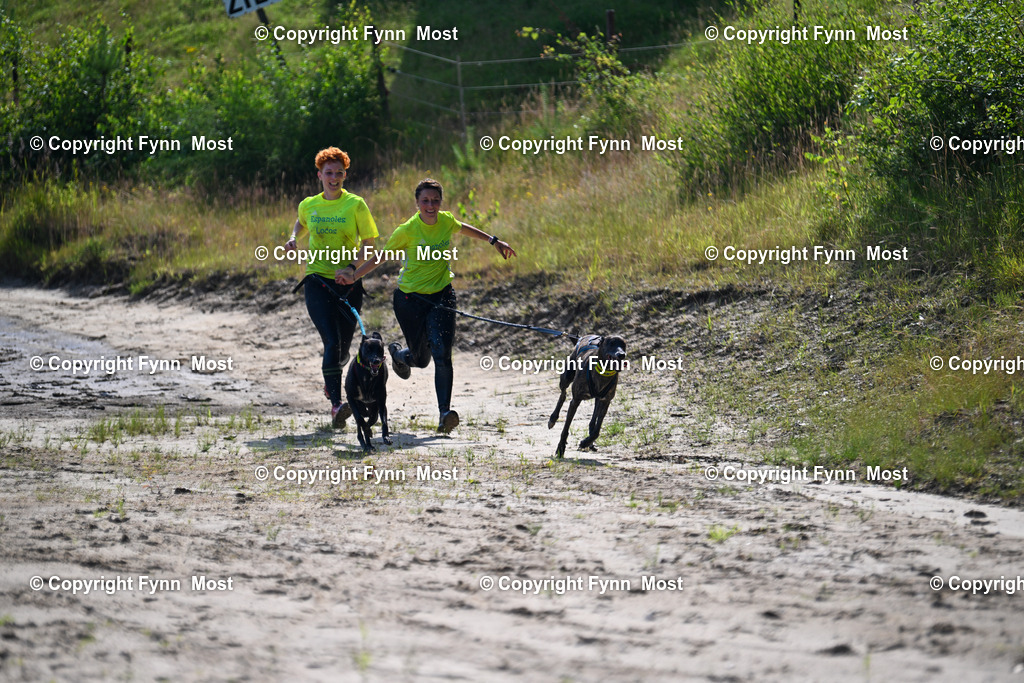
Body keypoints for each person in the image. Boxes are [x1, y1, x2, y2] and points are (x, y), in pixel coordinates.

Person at [340, 178, 516, 433]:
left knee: (442, 354)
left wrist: (494, 241)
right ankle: (399, 355)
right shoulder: (408, 230)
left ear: (440, 202)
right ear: (417, 203)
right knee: (421, 360)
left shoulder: (445, 220)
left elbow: (463, 227)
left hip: (442, 295)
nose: (431, 205)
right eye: (425, 201)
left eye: (435, 200)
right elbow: (381, 256)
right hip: (410, 300)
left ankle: (445, 413)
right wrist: (354, 275)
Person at [286, 147, 378, 427]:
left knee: (344, 349)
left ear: (345, 175)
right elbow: (301, 223)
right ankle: (337, 404)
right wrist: (293, 237)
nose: (334, 177)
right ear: (320, 175)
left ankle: (332, 380)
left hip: (348, 284)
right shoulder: (309, 204)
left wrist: (352, 270)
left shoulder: (356, 204)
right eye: (329, 172)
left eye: (339, 172)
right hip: (316, 280)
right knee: (332, 341)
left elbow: (370, 246)